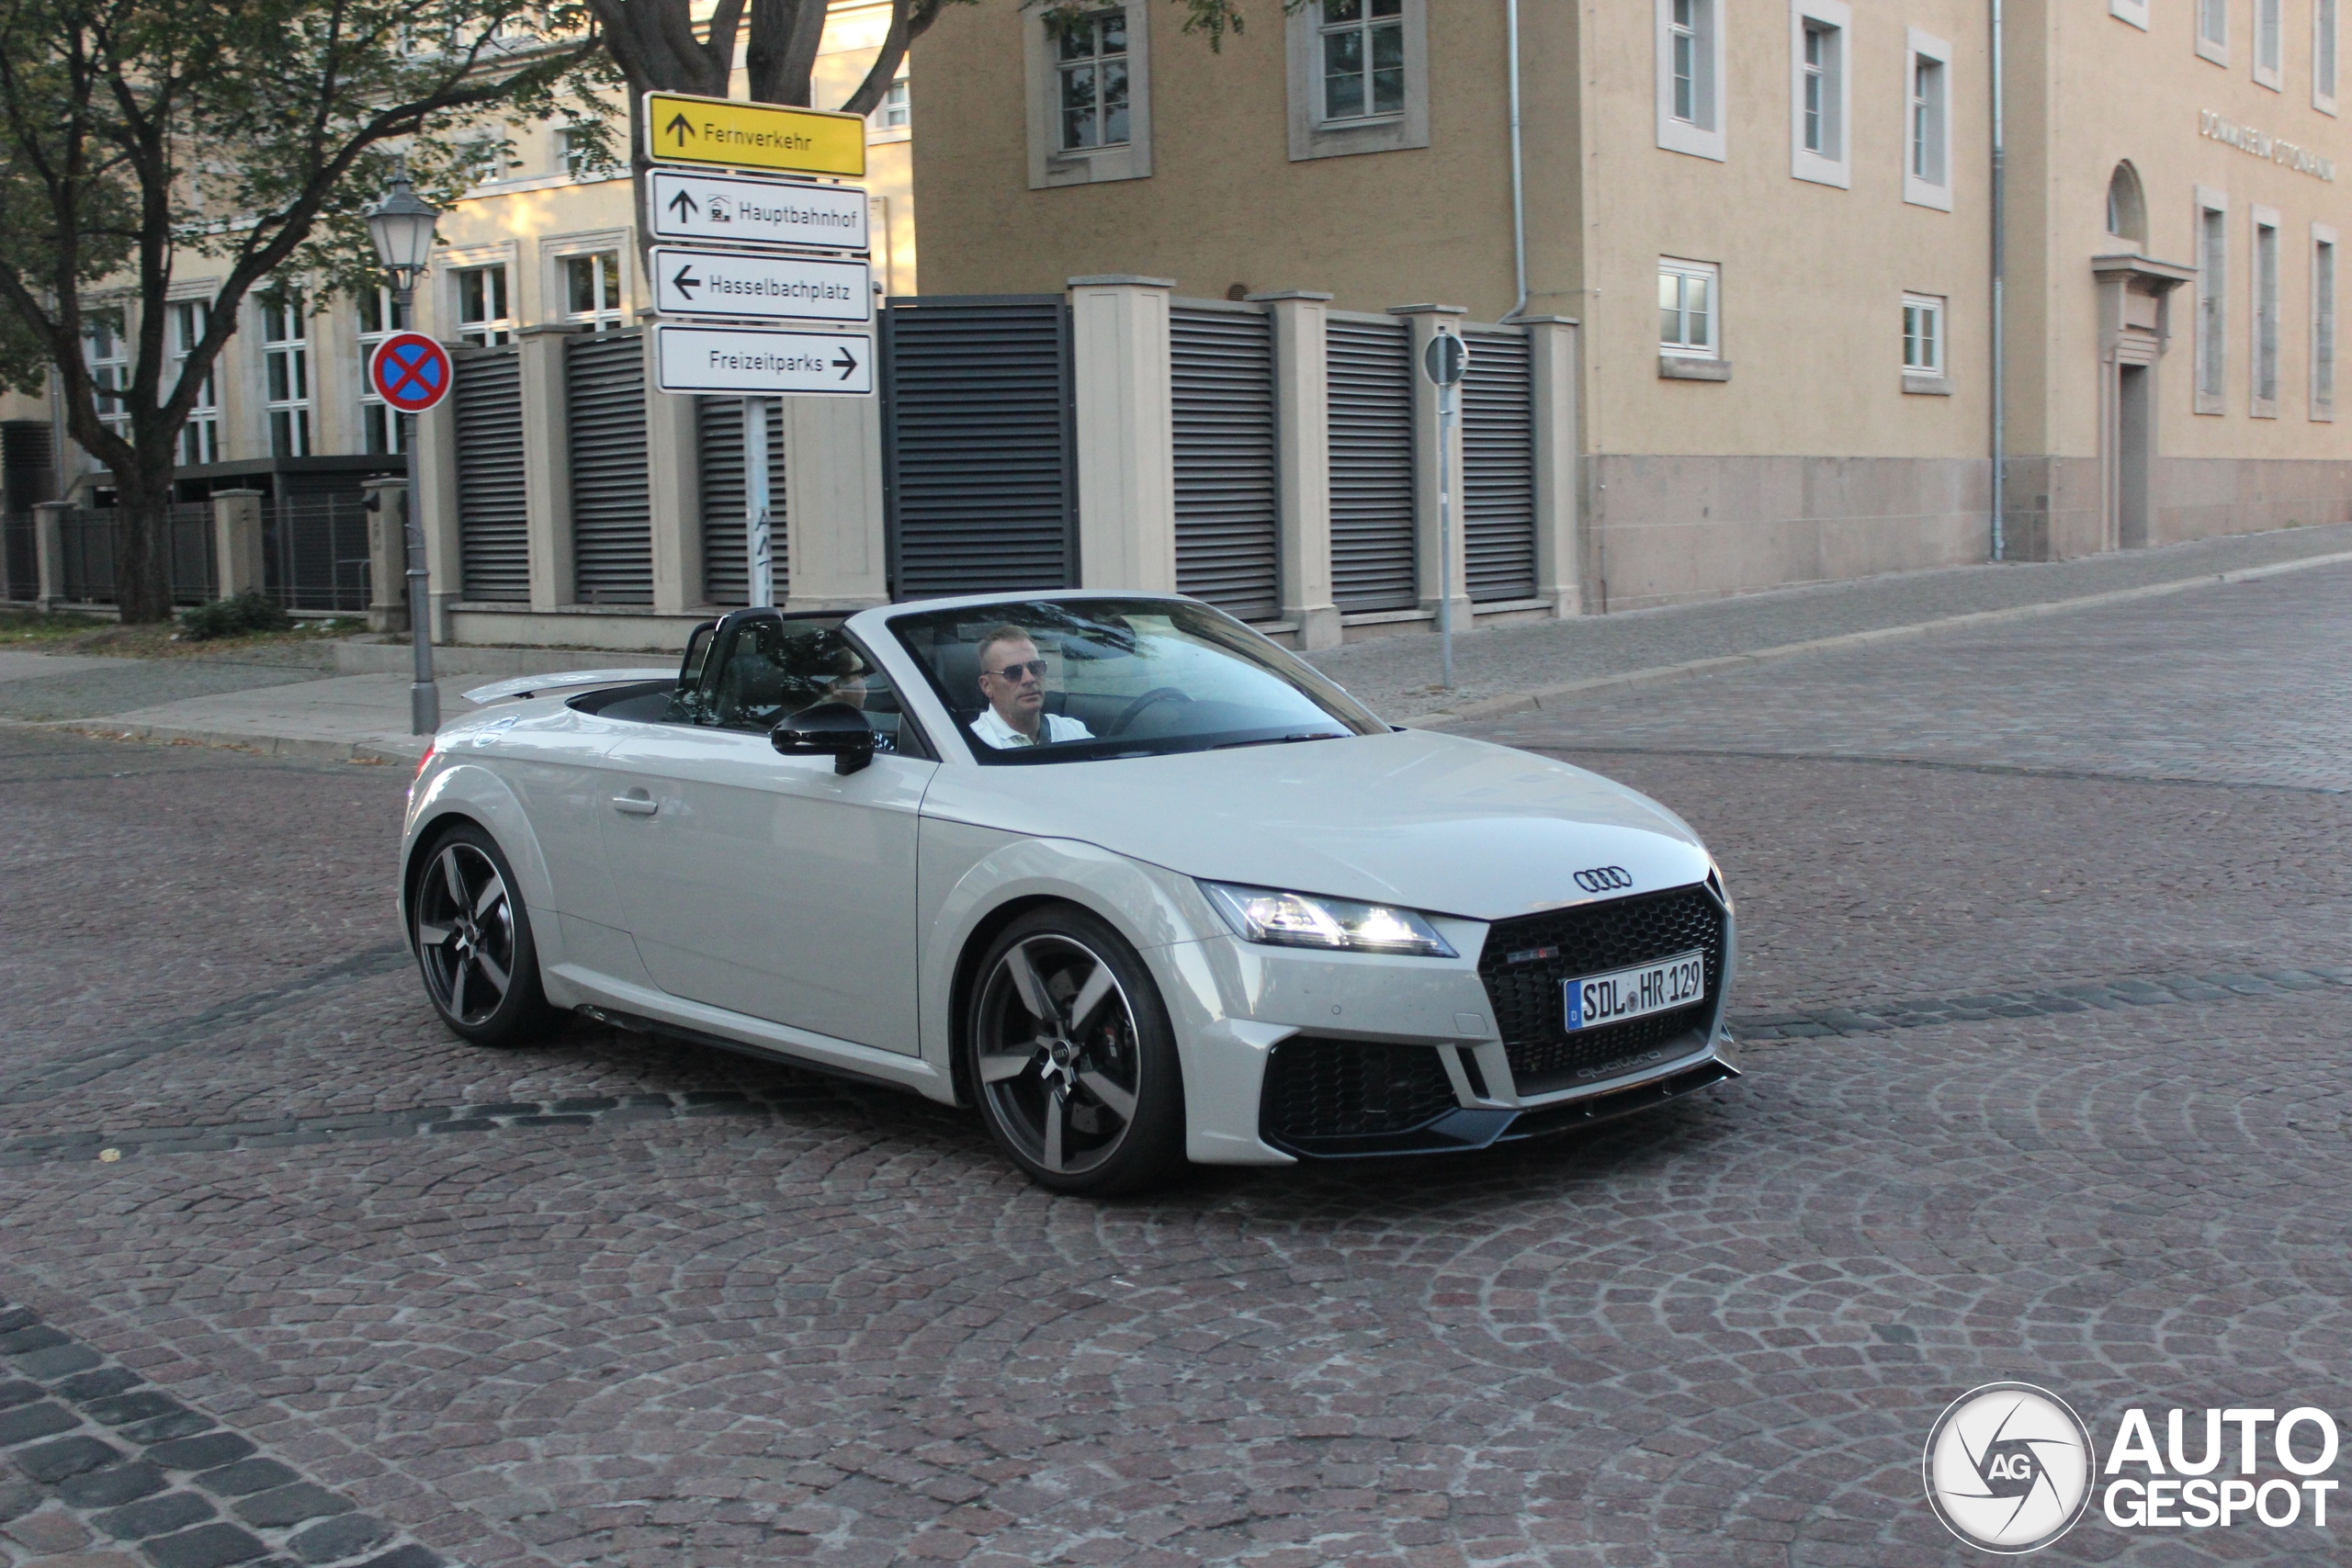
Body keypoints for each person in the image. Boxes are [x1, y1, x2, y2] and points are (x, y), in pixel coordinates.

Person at [970, 625, 1094, 749]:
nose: (1029, 679)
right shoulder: (971, 746)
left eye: (1035, 667)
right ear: (987, 686)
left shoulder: (1074, 733)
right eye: (1013, 672)